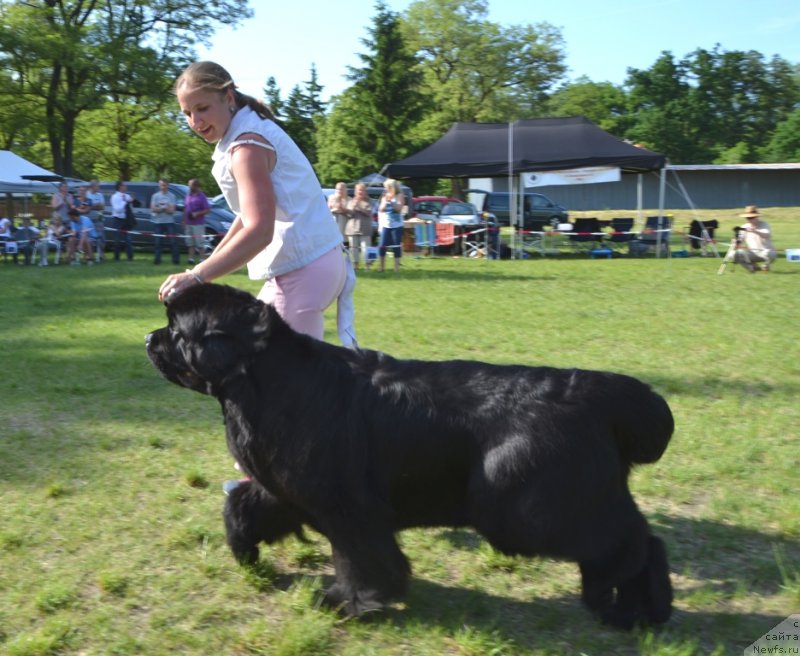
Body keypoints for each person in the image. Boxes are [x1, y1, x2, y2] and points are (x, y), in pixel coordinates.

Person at [158, 60, 357, 492]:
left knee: (280, 390)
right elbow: (244, 219)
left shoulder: (247, 144)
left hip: (305, 271)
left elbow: (259, 229)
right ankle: (276, 483)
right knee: (273, 381)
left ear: (228, 97)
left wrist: (197, 278)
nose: (196, 121)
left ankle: (275, 491)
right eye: (188, 114)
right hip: (307, 268)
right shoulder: (244, 135)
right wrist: (199, 272)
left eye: (203, 108)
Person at [732, 205, 775, 272]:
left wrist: (755, 231)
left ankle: (766, 266)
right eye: (747, 218)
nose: (749, 220)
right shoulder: (744, 227)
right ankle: (752, 268)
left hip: (764, 251)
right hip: (752, 253)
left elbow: (766, 235)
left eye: (751, 217)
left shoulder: (764, 224)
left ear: (757, 217)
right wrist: (735, 242)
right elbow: (740, 241)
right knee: (734, 254)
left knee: (770, 253)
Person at [377, 178, 405, 273]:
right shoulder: (385, 196)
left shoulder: (399, 195)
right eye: (385, 187)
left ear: (392, 187)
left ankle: (396, 268)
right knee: (382, 246)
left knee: (396, 246)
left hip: (397, 226)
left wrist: (392, 202)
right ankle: (381, 267)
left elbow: (399, 209)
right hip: (386, 225)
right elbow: (380, 209)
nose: (386, 189)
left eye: (387, 187)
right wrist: (385, 203)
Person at [150, 178, 181, 265]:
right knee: (158, 242)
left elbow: (172, 210)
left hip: (169, 222)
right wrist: (164, 208)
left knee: (173, 242)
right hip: (157, 222)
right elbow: (153, 209)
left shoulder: (172, 196)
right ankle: (157, 260)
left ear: (168, 185)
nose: (163, 187)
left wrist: (160, 208)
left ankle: (176, 261)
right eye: (161, 185)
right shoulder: (155, 196)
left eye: (164, 185)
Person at [346, 182, 373, 270]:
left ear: (365, 191)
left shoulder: (369, 201)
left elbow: (368, 212)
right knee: (353, 249)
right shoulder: (350, 201)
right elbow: (349, 214)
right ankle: (355, 266)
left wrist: (359, 208)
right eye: (358, 190)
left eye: (362, 190)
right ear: (355, 191)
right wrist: (353, 207)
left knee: (366, 248)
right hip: (352, 229)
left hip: (365, 229)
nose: (360, 192)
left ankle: (367, 266)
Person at [183, 178, 210, 264]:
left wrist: (197, 213)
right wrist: (183, 220)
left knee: (199, 242)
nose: (189, 187)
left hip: (198, 223)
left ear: (196, 186)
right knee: (190, 242)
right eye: (189, 185)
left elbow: (207, 210)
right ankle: (191, 258)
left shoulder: (201, 196)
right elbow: (185, 208)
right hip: (188, 222)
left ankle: (202, 258)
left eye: (190, 185)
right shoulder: (188, 195)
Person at [110, 180, 134, 261]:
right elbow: (117, 209)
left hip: (126, 220)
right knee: (117, 240)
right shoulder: (115, 197)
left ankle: (130, 257)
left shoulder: (127, 196)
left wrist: (133, 201)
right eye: (124, 185)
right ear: (120, 187)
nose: (125, 187)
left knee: (128, 239)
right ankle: (117, 258)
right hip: (118, 220)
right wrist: (125, 202)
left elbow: (135, 204)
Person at [86, 179, 106, 261]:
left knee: (101, 237)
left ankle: (101, 254)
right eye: (97, 186)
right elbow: (87, 207)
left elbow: (102, 206)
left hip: (99, 219)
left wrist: (92, 206)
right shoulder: (87, 194)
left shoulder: (100, 195)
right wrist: (96, 205)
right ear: (93, 186)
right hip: (89, 219)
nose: (99, 187)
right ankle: (90, 254)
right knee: (90, 238)